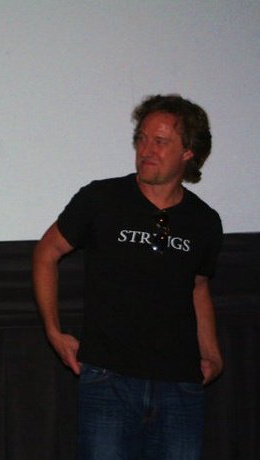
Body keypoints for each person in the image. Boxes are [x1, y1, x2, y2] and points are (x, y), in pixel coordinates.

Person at [33, 94, 223, 459]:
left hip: (181, 384)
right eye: (142, 138)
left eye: (160, 141)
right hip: (109, 378)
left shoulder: (204, 220)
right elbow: (46, 253)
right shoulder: (101, 199)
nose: (146, 149)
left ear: (189, 152)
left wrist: (212, 355)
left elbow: (198, 288)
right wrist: (53, 332)